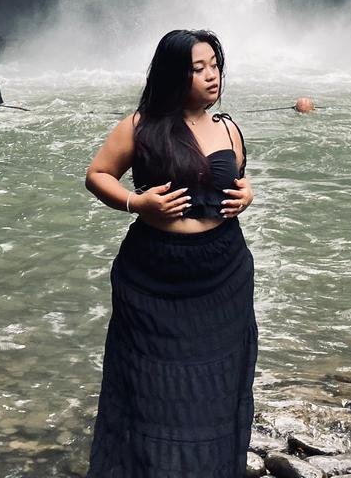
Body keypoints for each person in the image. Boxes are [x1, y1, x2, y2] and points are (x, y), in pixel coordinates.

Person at [84, 29, 257, 478]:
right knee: (152, 380)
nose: (210, 76)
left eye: (214, 65)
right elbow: (98, 174)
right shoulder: (141, 126)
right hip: (154, 273)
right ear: (173, 75)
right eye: (198, 69)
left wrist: (247, 195)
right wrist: (136, 202)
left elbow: (237, 181)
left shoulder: (229, 127)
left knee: (216, 380)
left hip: (222, 270)